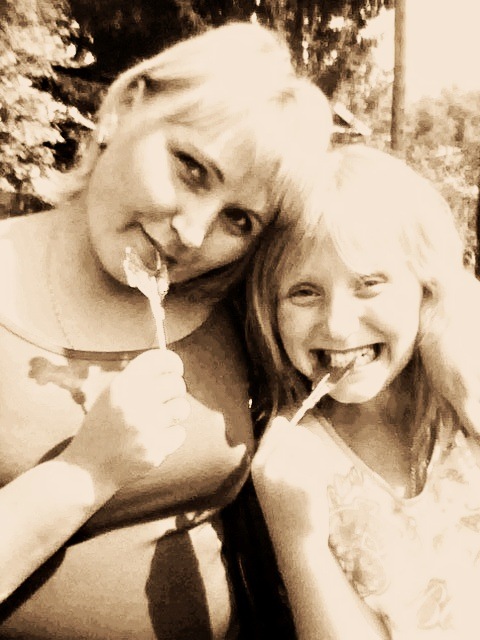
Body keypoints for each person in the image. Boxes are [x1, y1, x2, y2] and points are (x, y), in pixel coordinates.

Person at [0, 22, 332, 639]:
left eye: (239, 219)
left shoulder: (237, 309)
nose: (194, 233)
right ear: (126, 107)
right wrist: (84, 474)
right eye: (192, 169)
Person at [248, 144, 480, 639]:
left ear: (426, 287)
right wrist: (299, 539)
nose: (337, 324)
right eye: (304, 292)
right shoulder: (295, 462)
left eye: (369, 284)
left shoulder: (465, 392)